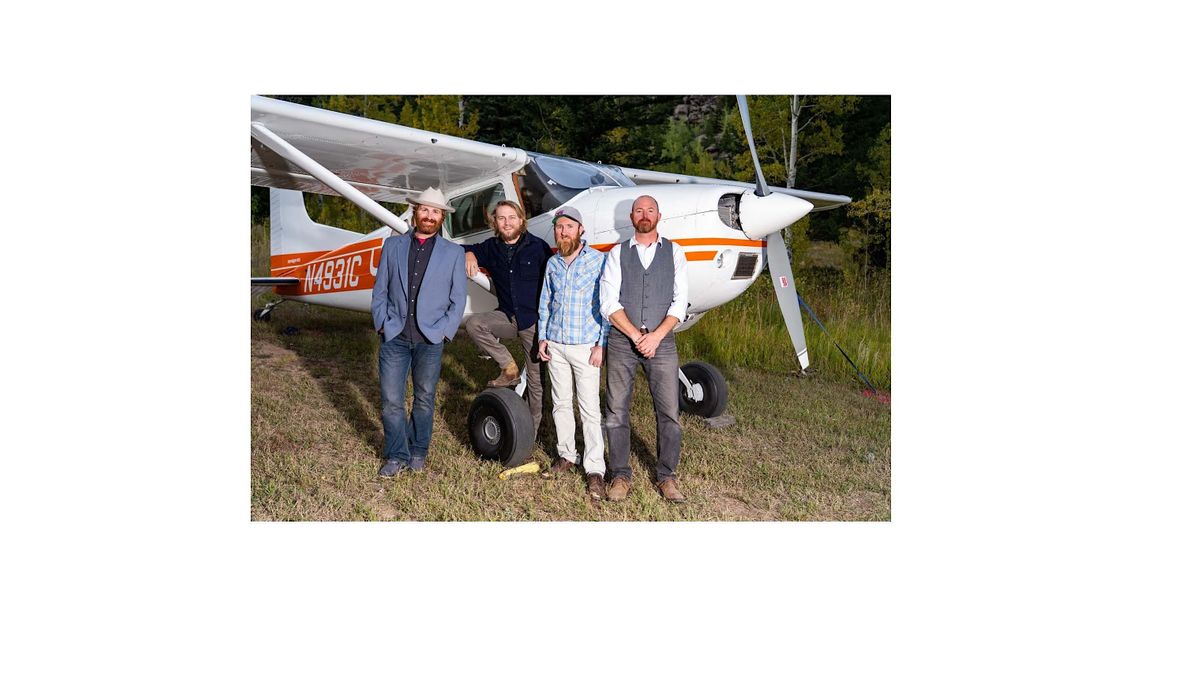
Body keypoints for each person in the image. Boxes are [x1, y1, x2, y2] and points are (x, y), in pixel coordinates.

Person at [370, 187, 467, 477]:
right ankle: (396, 454)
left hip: (430, 339)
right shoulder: (393, 246)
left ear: (441, 218)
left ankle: (418, 451)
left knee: (424, 398)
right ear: (416, 213)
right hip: (395, 337)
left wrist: (444, 332)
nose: (429, 215)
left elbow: (458, 298)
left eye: (435, 211)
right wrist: (382, 323)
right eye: (424, 209)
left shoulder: (454, 252)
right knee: (391, 400)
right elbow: (380, 291)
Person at [599, 195, 689, 502]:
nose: (644, 214)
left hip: (662, 342)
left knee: (669, 412)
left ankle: (667, 476)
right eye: (639, 210)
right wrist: (637, 335)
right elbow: (608, 303)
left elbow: (680, 301)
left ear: (659, 216)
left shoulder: (675, 252)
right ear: (631, 217)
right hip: (623, 341)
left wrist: (657, 336)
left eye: (650, 210)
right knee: (616, 410)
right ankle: (620, 475)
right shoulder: (617, 253)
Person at [536, 206, 610, 501]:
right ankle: (566, 455)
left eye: (568, 226)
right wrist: (543, 338)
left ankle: (595, 469)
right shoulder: (553, 263)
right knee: (560, 404)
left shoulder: (598, 261)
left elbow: (606, 304)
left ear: (581, 230)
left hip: (585, 347)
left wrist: (600, 344)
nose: (562, 231)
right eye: (558, 227)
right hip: (556, 344)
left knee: (590, 409)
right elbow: (545, 302)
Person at [462, 200, 553, 436]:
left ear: (521, 219)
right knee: (474, 324)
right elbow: (460, 248)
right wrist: (470, 253)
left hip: (533, 321)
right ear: (495, 222)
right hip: (507, 316)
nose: (507, 222)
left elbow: (551, 286)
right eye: (501, 218)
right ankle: (508, 366)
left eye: (512, 217)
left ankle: (531, 431)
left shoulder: (538, 247)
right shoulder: (490, 247)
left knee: (535, 380)